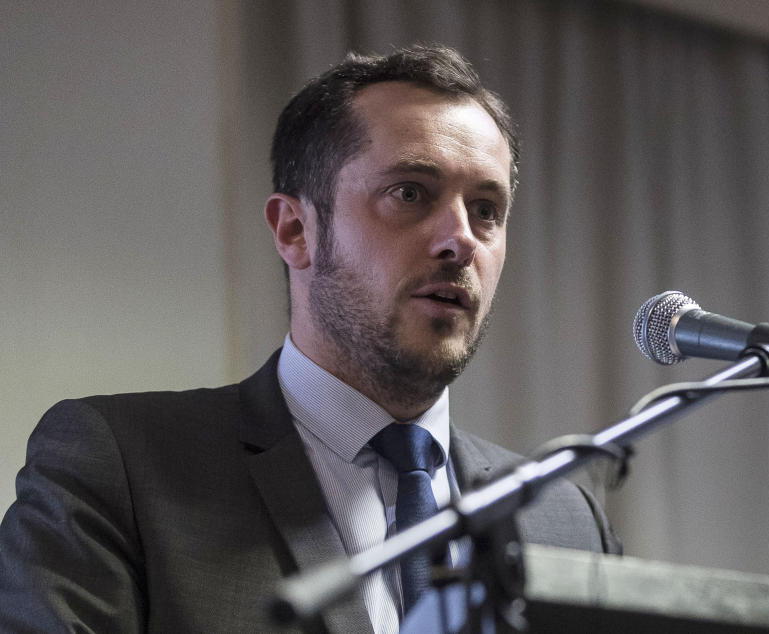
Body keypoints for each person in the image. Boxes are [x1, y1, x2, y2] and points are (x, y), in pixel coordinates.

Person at [0, 44, 620, 633]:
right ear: (295, 229)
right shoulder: (124, 468)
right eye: (410, 193)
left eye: (486, 209)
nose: (460, 239)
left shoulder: (563, 519)